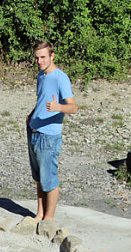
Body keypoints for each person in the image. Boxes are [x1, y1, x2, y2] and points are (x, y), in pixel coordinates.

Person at [26, 41, 78, 221]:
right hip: (34, 130)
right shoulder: (41, 76)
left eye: (43, 57)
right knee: (39, 177)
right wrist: (31, 115)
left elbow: (73, 107)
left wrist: (58, 106)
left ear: (52, 56)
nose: (39, 61)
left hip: (49, 135)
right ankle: (39, 213)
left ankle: (49, 219)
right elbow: (41, 100)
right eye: (37, 58)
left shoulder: (60, 77)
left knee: (49, 179)